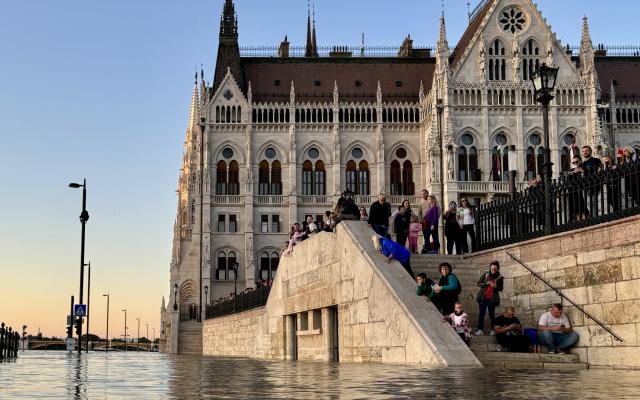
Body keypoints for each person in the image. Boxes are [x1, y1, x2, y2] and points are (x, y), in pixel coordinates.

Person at [474, 261, 504, 336]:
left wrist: (495, 286)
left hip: (492, 299)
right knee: (481, 314)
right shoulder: (486, 274)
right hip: (483, 298)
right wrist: (486, 283)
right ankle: (480, 329)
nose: (493, 271)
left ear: (498, 269)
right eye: (492, 269)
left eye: (495, 269)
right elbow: (478, 283)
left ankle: (492, 330)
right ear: (490, 268)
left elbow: (501, 288)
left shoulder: (500, 277)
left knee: (491, 314)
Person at [419, 189, 431, 253]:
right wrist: (420, 220)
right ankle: (427, 248)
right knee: (426, 235)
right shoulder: (420, 203)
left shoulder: (430, 201)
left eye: (425, 193)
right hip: (424, 221)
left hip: (431, 221)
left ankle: (430, 248)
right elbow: (419, 213)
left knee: (432, 235)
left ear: (427, 193)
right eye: (422, 194)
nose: (423, 195)